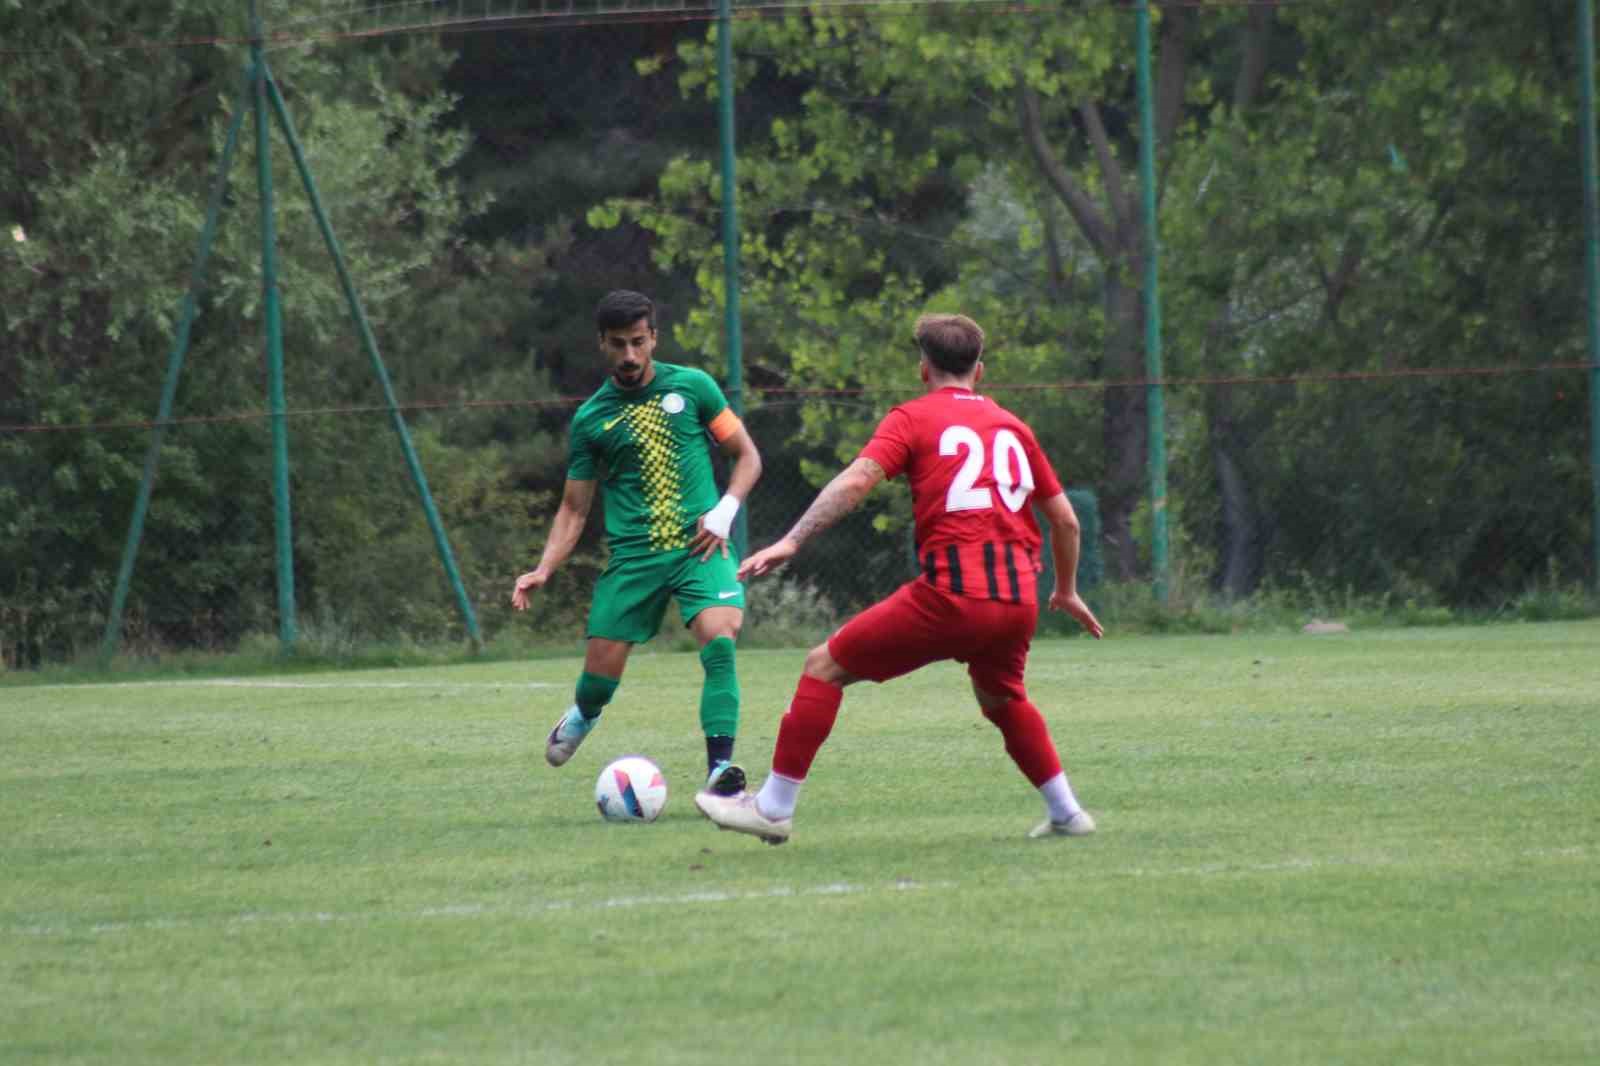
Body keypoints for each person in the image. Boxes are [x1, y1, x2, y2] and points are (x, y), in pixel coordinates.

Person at [693, 312, 1103, 844]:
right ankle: (1067, 812)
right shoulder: (1013, 426)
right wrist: (1066, 590)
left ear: (922, 369)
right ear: (980, 371)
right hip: (1017, 600)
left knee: (823, 667)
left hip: (954, 596)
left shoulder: (912, 417)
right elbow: (1065, 520)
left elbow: (858, 480)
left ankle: (772, 808)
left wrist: (793, 539)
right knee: (1003, 697)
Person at [512, 290, 762, 796]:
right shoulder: (592, 420)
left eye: (639, 342)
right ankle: (583, 714)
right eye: (619, 344)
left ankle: (721, 772)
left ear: (654, 339)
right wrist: (544, 568)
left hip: (701, 549)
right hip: (634, 559)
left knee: (720, 641)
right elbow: (574, 508)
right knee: (600, 680)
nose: (630, 355)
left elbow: (747, 457)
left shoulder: (693, 388)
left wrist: (723, 511)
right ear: (602, 344)